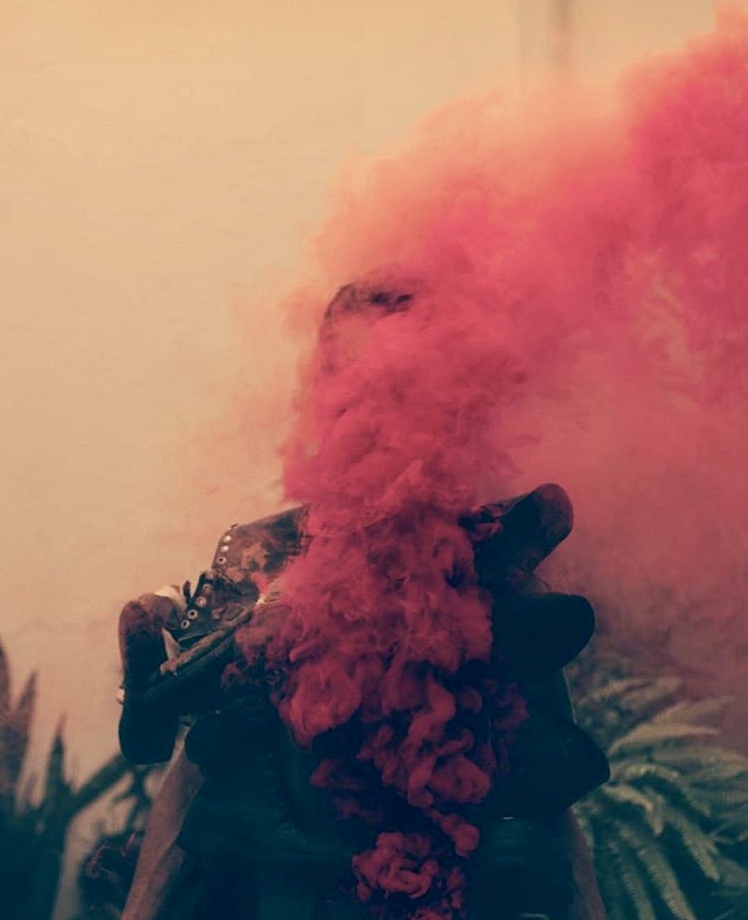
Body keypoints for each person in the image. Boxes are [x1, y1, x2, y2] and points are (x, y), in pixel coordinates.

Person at [115, 282, 610, 920]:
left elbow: (545, 781)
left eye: (408, 380)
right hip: (293, 886)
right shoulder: (263, 553)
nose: (379, 405)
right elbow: (197, 760)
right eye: (357, 375)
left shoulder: (489, 554)